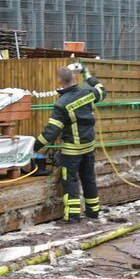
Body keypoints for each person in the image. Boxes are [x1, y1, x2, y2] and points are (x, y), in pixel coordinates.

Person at [34, 61, 107, 222]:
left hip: (72, 150)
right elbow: (102, 90)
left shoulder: (62, 104)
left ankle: (73, 216)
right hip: (89, 146)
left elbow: (51, 132)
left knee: (71, 180)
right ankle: (93, 212)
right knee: (89, 177)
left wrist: (34, 146)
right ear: (74, 77)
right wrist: (86, 74)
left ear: (60, 81)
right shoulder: (88, 91)